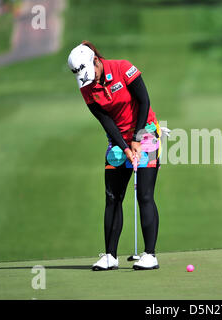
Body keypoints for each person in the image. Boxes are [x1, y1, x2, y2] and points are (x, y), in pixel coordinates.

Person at [68, 41, 162, 271]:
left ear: (96, 61)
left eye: (92, 73)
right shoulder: (87, 87)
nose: (90, 80)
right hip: (118, 140)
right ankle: (110, 256)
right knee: (112, 197)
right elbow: (106, 120)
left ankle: (150, 255)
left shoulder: (123, 68)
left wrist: (137, 139)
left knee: (145, 195)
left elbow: (144, 101)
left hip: (146, 131)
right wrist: (126, 147)